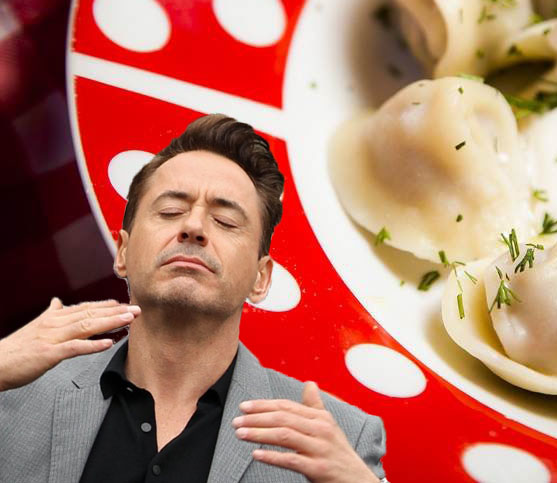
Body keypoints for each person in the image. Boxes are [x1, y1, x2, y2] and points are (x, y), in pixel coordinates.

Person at [0, 114, 386, 482]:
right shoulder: (17, 387)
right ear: (123, 253)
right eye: (170, 211)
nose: (194, 226)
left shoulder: (339, 441)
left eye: (225, 221)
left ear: (261, 278)